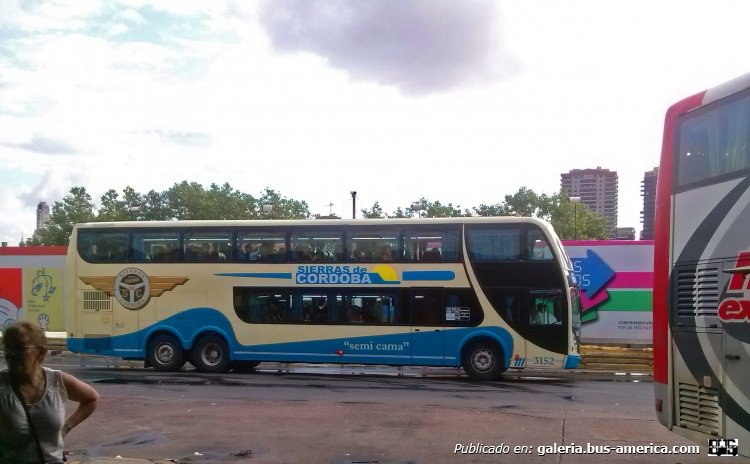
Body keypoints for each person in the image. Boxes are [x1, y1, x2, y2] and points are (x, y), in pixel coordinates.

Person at [0, 321, 99, 463]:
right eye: (7, 348)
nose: (11, 354)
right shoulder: (2, 385)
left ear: (41, 352)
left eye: (19, 348)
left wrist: (66, 428)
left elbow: (91, 398)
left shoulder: (57, 381)